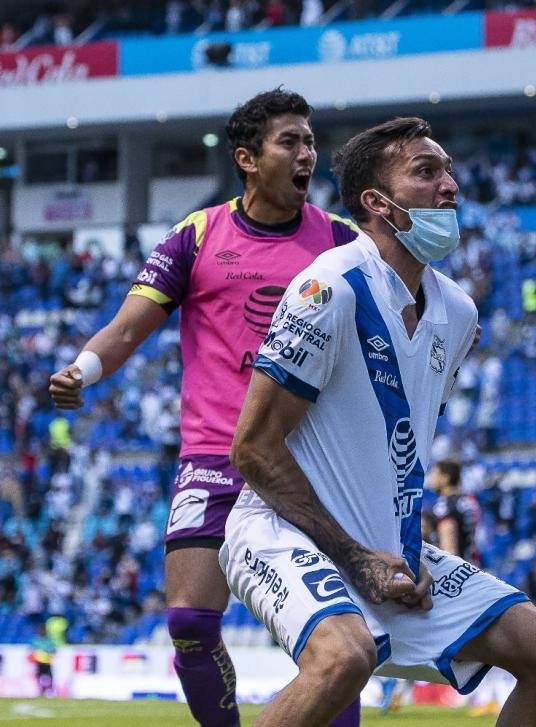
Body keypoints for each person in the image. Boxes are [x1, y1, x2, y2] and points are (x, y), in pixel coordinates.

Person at [221, 116, 536, 727]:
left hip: (383, 548)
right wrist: (357, 556)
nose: (449, 186)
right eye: (425, 171)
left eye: (448, 171)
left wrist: (402, 547)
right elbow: (252, 450)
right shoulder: (329, 287)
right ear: (377, 203)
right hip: (282, 531)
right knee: (343, 659)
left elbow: (401, 454)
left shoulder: (459, 311)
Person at [48, 89, 360, 727]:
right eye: (290, 142)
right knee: (189, 622)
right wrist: (83, 369)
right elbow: (130, 327)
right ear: (247, 158)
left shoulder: (341, 242)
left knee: (336, 638)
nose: (307, 153)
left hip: (311, 463)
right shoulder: (197, 234)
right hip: (216, 455)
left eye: (310, 140)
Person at [424, 460, 480, 565]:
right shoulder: (468, 501)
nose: (431, 478)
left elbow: (449, 550)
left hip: (455, 572)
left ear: (445, 478)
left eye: (434, 473)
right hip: (471, 565)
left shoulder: (444, 507)